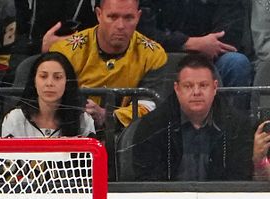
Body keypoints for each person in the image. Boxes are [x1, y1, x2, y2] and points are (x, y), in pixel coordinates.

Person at [131, 53, 257, 181]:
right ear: (177, 89)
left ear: (214, 87)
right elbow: (147, 183)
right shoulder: (152, 125)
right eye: (188, 86)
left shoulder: (237, 125)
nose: (196, 92)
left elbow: (239, 181)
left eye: (203, 85)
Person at [49, 0, 168, 130]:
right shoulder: (65, 52)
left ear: (138, 17)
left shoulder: (153, 55)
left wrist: (109, 116)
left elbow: (149, 105)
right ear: (99, 15)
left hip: (129, 135)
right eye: (112, 17)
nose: (120, 26)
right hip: (74, 133)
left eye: (128, 18)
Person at [137, 0, 252, 91]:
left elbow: (229, 35)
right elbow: (144, 31)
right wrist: (187, 43)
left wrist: (205, 45)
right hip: (164, 55)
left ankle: (230, 114)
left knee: (236, 63)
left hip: (210, 58)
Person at [0, 51, 95, 137]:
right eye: (43, 76)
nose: (49, 83)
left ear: (67, 82)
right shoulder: (16, 119)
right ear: (34, 81)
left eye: (57, 77)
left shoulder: (83, 121)